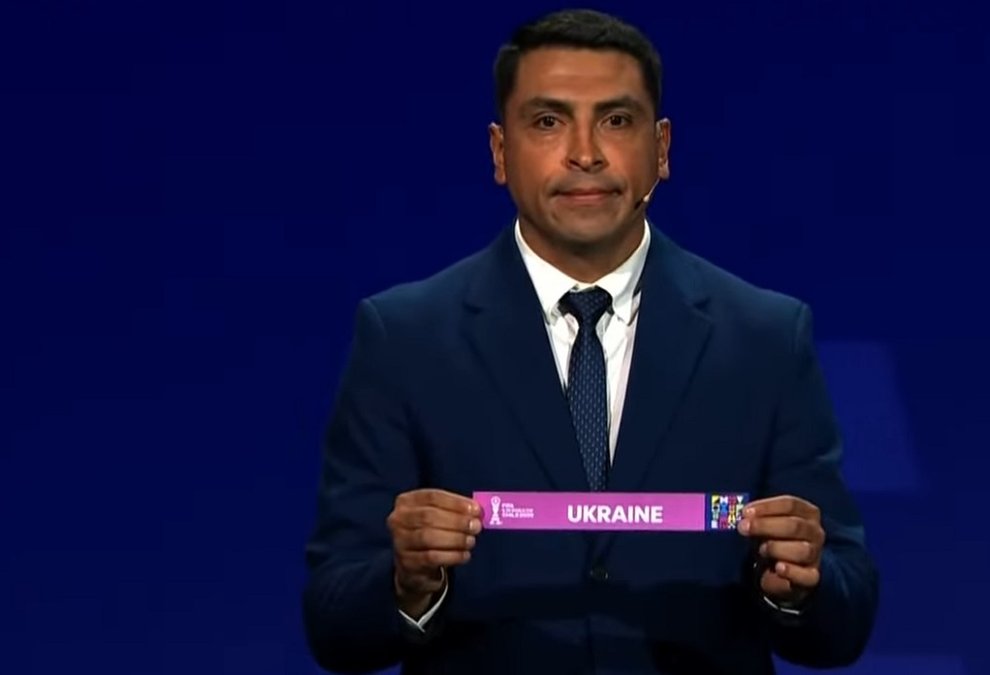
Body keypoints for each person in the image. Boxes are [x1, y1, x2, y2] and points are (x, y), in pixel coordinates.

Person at [302, 8, 878, 674]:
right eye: (548, 122)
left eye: (617, 120)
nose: (584, 153)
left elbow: (845, 617)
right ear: (500, 153)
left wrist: (801, 586)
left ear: (662, 148)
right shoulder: (405, 338)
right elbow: (333, 620)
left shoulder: (766, 337)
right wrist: (408, 586)